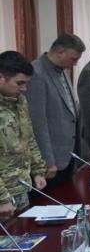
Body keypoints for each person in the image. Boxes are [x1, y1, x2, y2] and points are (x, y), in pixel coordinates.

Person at [25, 34, 85, 189]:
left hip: (69, 152)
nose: (75, 64)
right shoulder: (36, 73)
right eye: (74, 59)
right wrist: (47, 160)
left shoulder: (62, 69)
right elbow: (38, 122)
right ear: (60, 52)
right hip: (52, 158)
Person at [0, 52, 47, 216]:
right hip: (3, 196)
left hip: (21, 187)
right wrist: (2, 198)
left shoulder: (20, 101)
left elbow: (29, 137)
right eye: (19, 83)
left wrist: (38, 170)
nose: (24, 89)